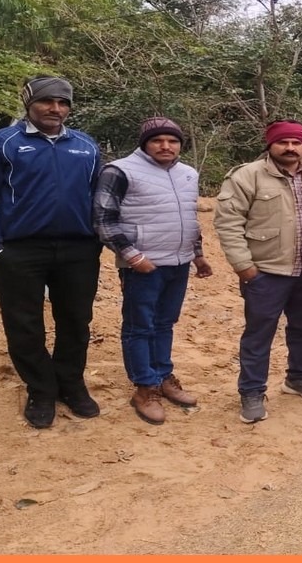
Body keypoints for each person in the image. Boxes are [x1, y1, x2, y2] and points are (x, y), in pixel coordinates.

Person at [0, 75, 103, 429]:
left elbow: (98, 198)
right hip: (18, 250)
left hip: (78, 250)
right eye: (47, 101)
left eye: (63, 103)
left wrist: (96, 239)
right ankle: (41, 389)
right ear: (29, 104)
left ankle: (70, 384)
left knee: (75, 320)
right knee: (24, 324)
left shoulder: (86, 146)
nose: (56, 109)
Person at [214, 120, 302, 424]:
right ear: (270, 144)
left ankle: (298, 378)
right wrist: (245, 267)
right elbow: (228, 223)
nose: (290, 148)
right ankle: (252, 391)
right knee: (259, 335)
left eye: (296, 143)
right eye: (283, 142)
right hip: (267, 272)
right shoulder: (247, 176)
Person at [93, 117, 213, 425]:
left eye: (172, 141)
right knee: (139, 326)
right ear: (145, 143)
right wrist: (132, 256)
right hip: (143, 265)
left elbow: (189, 218)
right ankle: (144, 387)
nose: (165, 146)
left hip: (179, 262)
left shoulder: (188, 174)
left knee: (165, 322)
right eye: (157, 140)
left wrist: (197, 255)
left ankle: (163, 376)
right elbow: (103, 219)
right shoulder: (120, 171)